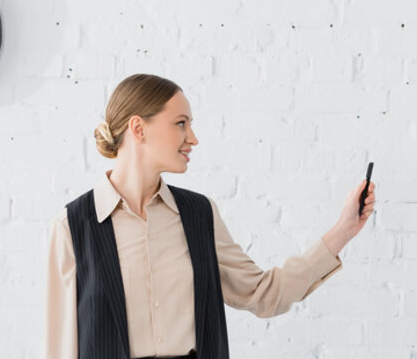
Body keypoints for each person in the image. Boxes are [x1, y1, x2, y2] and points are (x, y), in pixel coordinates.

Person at [45, 74, 377, 359]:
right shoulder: (73, 227)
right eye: (180, 124)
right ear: (138, 128)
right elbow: (61, 347)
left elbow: (262, 295)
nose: (193, 138)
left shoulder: (199, 215)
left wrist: (343, 231)